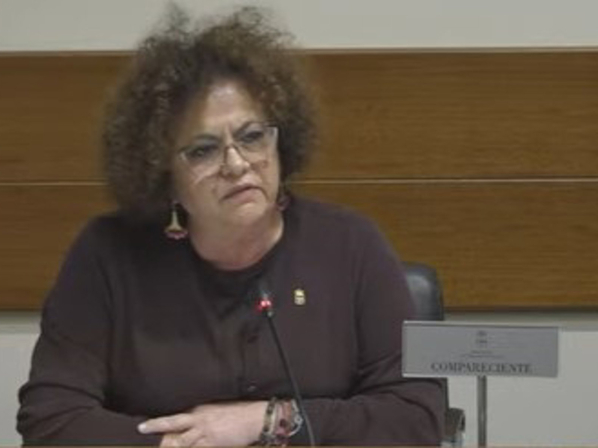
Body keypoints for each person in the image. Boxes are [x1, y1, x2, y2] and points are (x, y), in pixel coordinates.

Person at [17, 6, 445, 446]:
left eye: (252, 136)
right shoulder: (107, 254)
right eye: (203, 150)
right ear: (163, 173)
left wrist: (268, 420)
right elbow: (50, 420)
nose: (237, 164)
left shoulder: (351, 246)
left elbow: (415, 418)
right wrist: (186, 442)